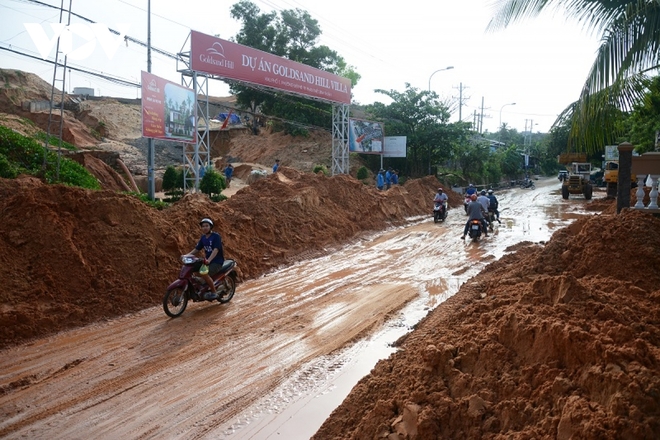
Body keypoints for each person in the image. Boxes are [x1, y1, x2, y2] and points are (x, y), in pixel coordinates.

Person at [183, 218, 225, 300]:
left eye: (207, 226)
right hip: (206, 261)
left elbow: (216, 250)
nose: (205, 228)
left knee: (203, 273)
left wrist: (209, 260)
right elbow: (197, 249)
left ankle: (214, 292)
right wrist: (186, 255)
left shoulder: (216, 237)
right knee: (191, 268)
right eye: (203, 226)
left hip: (216, 262)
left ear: (210, 227)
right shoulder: (203, 238)